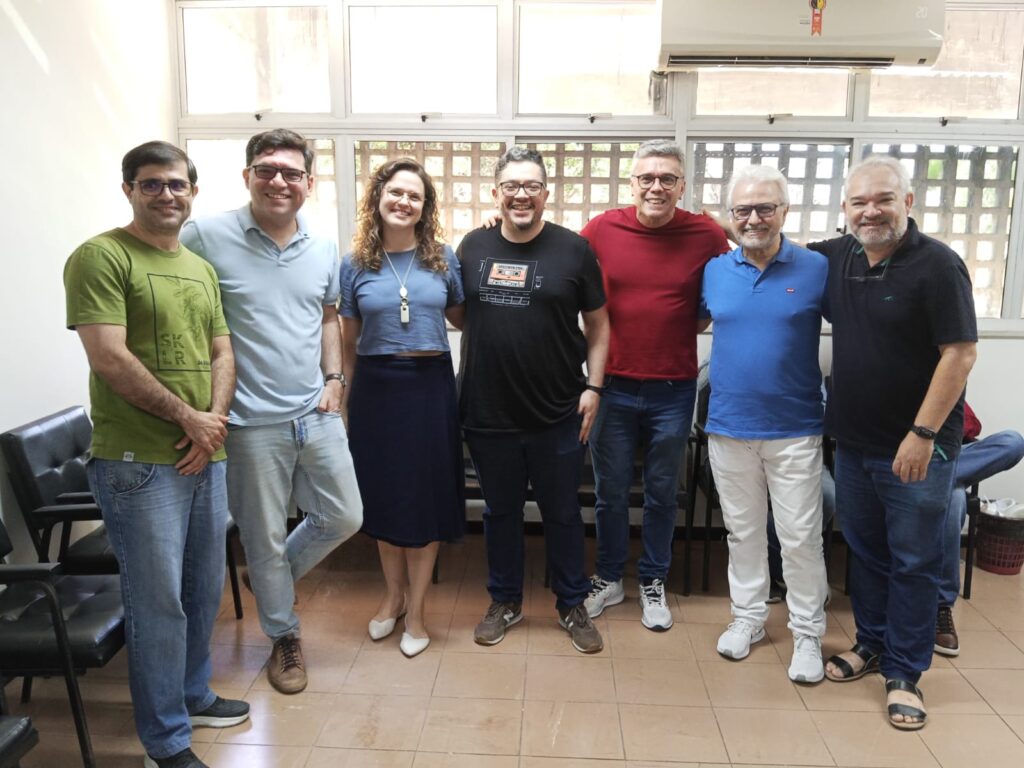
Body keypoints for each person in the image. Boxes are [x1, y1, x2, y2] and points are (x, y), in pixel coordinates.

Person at [65, 141, 249, 768]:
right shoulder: (101, 256)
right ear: (129, 190)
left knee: (201, 590)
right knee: (157, 605)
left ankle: (193, 694)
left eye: (176, 184)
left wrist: (211, 424)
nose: (166, 194)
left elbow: (222, 351)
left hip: (204, 456)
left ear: (193, 191)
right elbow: (109, 357)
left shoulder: (198, 267)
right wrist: (189, 420)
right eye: (151, 184)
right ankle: (165, 741)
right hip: (138, 464)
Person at [181, 129, 363, 694]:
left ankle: (269, 582)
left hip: (316, 411)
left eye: (291, 172)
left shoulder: (323, 246)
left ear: (309, 182)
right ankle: (284, 636)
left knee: (345, 516)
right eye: (266, 170)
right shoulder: (204, 237)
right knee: (261, 537)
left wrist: (334, 380)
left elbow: (328, 316)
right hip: (248, 423)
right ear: (247, 177)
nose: (278, 181)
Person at [811, 156, 977, 730]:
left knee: (914, 561)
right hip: (855, 443)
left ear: (907, 202)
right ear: (844, 209)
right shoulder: (840, 256)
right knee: (868, 552)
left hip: (917, 448)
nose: (871, 211)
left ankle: (905, 672)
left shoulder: (939, 265)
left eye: (883, 199)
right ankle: (872, 643)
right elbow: (768, 240)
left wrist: (922, 433)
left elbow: (960, 354)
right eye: (859, 202)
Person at [459, 146, 610, 654]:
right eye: (511, 186)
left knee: (562, 512)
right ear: (496, 193)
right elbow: (459, 313)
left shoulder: (574, 250)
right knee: (500, 512)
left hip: (558, 411)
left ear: (547, 193)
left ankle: (571, 603)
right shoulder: (472, 246)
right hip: (488, 410)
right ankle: (505, 600)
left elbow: (599, 325)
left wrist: (594, 388)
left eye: (531, 186)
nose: (521, 194)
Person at [580, 140, 730, 631]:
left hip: (673, 388)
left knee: (663, 492)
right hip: (611, 385)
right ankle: (608, 577)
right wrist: (497, 225)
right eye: (647, 178)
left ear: (682, 186)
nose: (656, 187)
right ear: (633, 183)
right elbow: (558, 260)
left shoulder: (705, 233)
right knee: (610, 491)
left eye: (667, 178)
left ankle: (652, 578)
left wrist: (729, 226)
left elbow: (739, 272)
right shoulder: (603, 228)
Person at [698, 164, 829, 683]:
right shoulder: (714, 271)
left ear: (785, 211)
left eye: (765, 208)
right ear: (731, 216)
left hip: (794, 428)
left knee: (799, 538)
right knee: (743, 532)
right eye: (743, 210)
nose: (754, 218)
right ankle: (748, 618)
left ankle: (807, 633)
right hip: (729, 426)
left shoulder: (816, 267)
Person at [340, 158, 466, 658]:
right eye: (395, 192)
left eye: (415, 195)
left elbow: (466, 317)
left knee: (425, 497)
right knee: (385, 495)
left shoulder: (443, 258)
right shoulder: (355, 264)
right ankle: (391, 597)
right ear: (378, 197)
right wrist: (344, 403)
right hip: (376, 390)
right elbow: (348, 345)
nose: (404, 202)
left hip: (430, 387)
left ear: (425, 206)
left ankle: (416, 610)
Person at [936, 402, 1024, 655]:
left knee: (1013, 441)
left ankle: (937, 477)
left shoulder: (945, 380)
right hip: (905, 458)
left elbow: (969, 425)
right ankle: (941, 607)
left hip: (948, 457)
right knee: (954, 498)